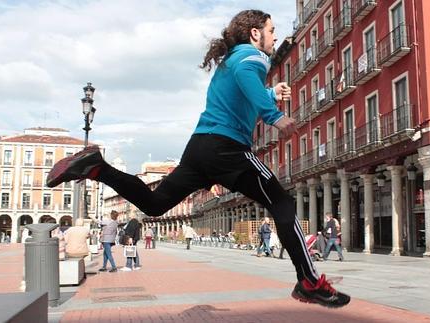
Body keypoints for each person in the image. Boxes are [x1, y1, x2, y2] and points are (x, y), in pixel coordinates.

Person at [45, 9, 349, 308]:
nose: (274, 36)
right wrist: (275, 116)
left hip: (199, 148)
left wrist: (268, 94)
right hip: (227, 149)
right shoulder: (253, 56)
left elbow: (236, 95)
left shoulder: (231, 61)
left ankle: (98, 168)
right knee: (282, 203)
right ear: (255, 33)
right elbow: (247, 77)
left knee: (155, 204)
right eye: (271, 30)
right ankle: (309, 281)